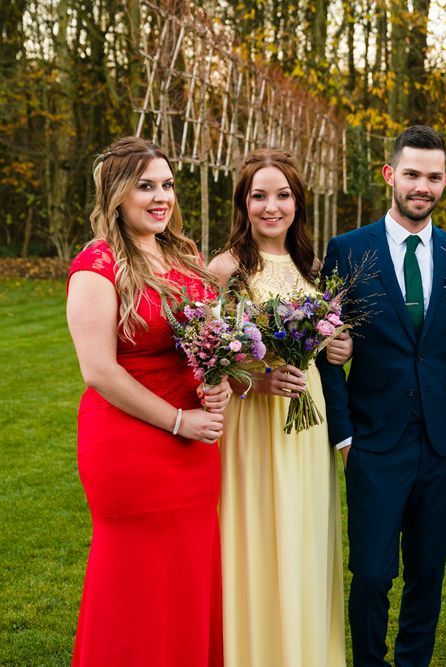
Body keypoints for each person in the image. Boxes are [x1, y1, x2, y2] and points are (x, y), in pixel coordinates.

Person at [66, 136, 231, 666]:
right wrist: (181, 420)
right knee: (135, 580)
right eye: (146, 187)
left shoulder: (184, 253)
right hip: (132, 445)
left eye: (167, 185)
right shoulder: (97, 265)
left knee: (189, 574)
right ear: (117, 193)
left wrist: (219, 378)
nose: (161, 198)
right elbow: (99, 371)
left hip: (197, 445)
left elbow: (206, 341)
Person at [316, 125, 446, 666]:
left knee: (427, 571)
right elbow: (321, 347)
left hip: (443, 441)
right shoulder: (347, 249)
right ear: (390, 175)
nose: (422, 186)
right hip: (373, 439)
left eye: (433, 177)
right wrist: (342, 432)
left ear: (445, 181)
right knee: (372, 572)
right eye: (412, 174)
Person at [208, 149, 350, 667]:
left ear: (298, 202)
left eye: (283, 195)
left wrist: (342, 344)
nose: (272, 207)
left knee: (304, 540)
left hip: (305, 427)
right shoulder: (225, 269)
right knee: (256, 543)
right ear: (243, 204)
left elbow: (331, 344)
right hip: (252, 426)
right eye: (259, 196)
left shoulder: (313, 268)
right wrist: (255, 380)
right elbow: (205, 362)